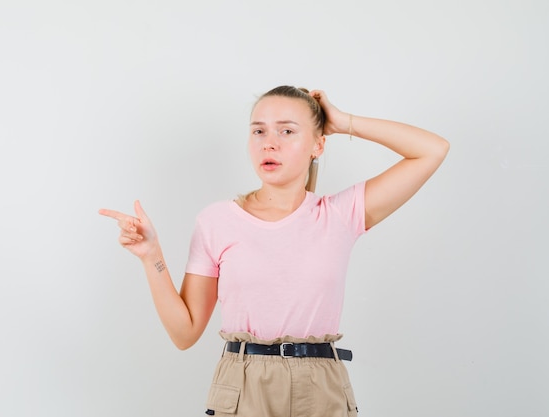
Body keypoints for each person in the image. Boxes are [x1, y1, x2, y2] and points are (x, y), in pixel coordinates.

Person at [99, 85, 449, 417]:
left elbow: (431, 150)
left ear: (317, 145)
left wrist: (343, 122)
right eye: (259, 131)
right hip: (243, 383)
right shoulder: (217, 221)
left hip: (320, 385)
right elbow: (185, 332)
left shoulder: (340, 215)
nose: (269, 144)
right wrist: (151, 255)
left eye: (287, 131)